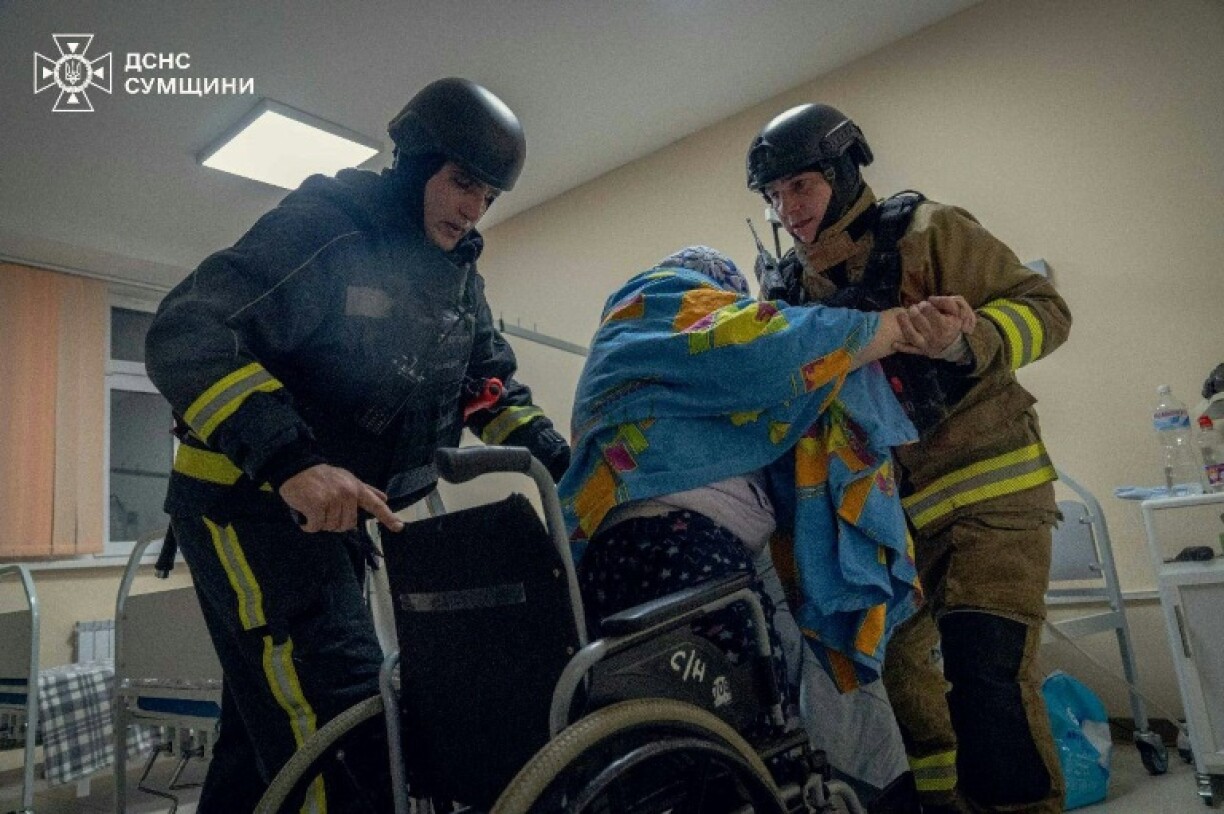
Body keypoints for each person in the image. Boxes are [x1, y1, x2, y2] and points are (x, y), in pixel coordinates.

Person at [145, 77, 570, 812]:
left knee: (266, 730)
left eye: (489, 197)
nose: (474, 209)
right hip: (248, 506)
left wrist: (560, 464)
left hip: (335, 520)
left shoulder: (456, 275)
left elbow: (484, 383)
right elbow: (188, 332)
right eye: (463, 183)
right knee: (343, 725)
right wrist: (292, 462)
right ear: (414, 165)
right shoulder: (328, 226)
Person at [745, 103, 1073, 813]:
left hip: (994, 493)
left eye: (800, 186)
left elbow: (1045, 309)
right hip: (893, 525)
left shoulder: (932, 232)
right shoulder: (793, 294)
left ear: (841, 171)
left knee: (984, 673)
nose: (787, 209)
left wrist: (965, 340)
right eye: (774, 196)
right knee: (897, 677)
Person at [559, 245, 971, 729]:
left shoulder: (624, 352)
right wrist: (899, 327)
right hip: (678, 550)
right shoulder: (662, 301)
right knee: (746, 712)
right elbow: (771, 348)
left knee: (659, 723)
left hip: (607, 563)